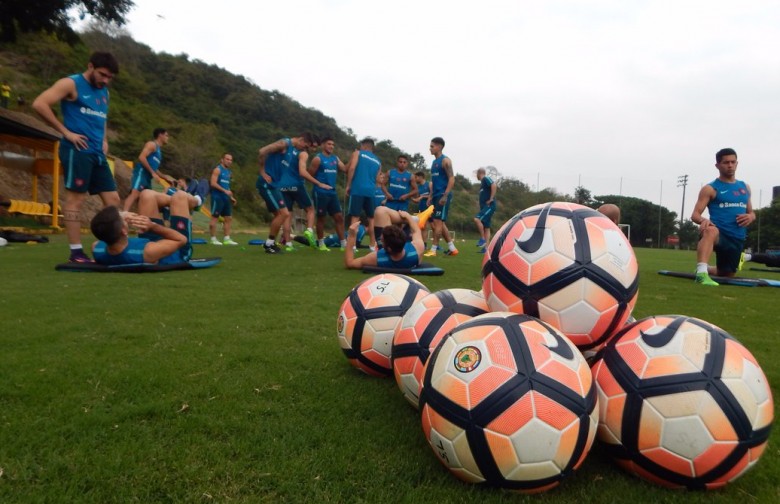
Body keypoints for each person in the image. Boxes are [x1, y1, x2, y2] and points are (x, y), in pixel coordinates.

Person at [32, 52, 121, 263]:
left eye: (109, 77)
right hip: (77, 150)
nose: (105, 80)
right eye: (102, 75)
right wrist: (66, 132)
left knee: (113, 200)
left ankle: (108, 247)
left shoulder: (105, 92)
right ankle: (76, 252)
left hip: (97, 152)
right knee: (76, 200)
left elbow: (102, 117)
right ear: (90, 66)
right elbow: (39, 104)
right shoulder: (70, 84)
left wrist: (104, 139)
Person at [691, 148, 755, 286]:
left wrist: (750, 217)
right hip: (719, 234)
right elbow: (695, 215)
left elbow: (751, 212)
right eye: (726, 162)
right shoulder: (710, 188)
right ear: (717, 165)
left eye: (733, 162)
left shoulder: (745, 187)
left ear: (737, 163)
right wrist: (704, 220)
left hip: (737, 237)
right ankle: (701, 274)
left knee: (726, 274)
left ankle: (708, 270)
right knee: (710, 231)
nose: (730, 165)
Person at [257, 133, 329, 254]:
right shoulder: (284, 144)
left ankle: (275, 243)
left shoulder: (292, 149)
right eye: (305, 146)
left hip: (276, 185)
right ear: (302, 140)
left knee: (283, 214)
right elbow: (262, 151)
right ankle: (269, 244)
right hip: (267, 184)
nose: (305, 149)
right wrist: (262, 172)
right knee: (284, 214)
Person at [90, 189, 201, 265]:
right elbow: (181, 240)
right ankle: (196, 202)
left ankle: (174, 204)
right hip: (176, 247)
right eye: (122, 220)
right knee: (180, 196)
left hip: (150, 242)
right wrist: (152, 226)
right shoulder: (147, 252)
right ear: (124, 231)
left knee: (146, 194)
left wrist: (121, 217)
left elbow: (103, 224)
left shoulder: (97, 248)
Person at [344, 207, 427, 270]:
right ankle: (415, 218)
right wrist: (408, 217)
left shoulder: (377, 258)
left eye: (382, 240)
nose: (380, 239)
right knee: (381, 211)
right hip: (404, 252)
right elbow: (416, 231)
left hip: (388, 255)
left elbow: (350, 263)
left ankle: (413, 218)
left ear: (388, 248)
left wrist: (351, 235)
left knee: (380, 211)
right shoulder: (417, 249)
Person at [308, 136, 347, 251]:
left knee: (339, 217)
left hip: (332, 193)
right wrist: (320, 184)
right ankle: (321, 244)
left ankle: (343, 244)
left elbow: (345, 169)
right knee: (321, 218)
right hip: (320, 193)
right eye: (329, 144)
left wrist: (355, 158)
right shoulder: (318, 159)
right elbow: (309, 175)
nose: (331, 146)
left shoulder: (335, 158)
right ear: (323, 145)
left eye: (333, 145)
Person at [345, 137, 383, 251]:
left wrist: (348, 185)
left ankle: (352, 245)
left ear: (364, 146)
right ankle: (372, 245)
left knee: (355, 217)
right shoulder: (378, 161)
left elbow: (352, 168)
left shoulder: (358, 153)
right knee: (371, 218)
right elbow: (377, 179)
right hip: (370, 191)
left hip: (358, 189)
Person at [424, 137, 459, 257]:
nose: (430, 148)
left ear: (439, 147)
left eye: (432, 146)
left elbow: (451, 179)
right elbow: (434, 181)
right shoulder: (434, 162)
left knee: (437, 222)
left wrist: (445, 195)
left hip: (442, 195)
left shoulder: (445, 161)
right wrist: (430, 196)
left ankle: (433, 250)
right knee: (440, 222)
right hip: (435, 195)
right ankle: (452, 248)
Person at [124, 128, 174, 212]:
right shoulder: (152, 144)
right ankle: (124, 215)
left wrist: (164, 177)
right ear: (160, 135)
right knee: (135, 194)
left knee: (148, 198)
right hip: (142, 172)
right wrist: (152, 173)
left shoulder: (159, 152)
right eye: (166, 135)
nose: (167, 138)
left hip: (148, 178)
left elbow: (154, 168)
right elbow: (141, 157)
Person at [209, 153, 238, 245]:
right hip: (217, 197)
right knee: (215, 218)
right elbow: (213, 183)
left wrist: (231, 197)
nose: (229, 161)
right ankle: (213, 239)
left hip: (226, 198)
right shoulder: (217, 170)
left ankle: (227, 239)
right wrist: (225, 191)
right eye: (227, 159)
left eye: (231, 160)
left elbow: (227, 186)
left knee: (228, 218)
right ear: (222, 160)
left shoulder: (229, 172)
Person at [474, 167, 497, 253]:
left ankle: (482, 239)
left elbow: (493, 185)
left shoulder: (485, 178)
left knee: (477, 219)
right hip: (485, 207)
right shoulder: (482, 185)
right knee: (486, 228)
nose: (476, 176)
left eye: (476, 174)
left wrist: (491, 198)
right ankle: (486, 249)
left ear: (479, 173)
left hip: (489, 206)